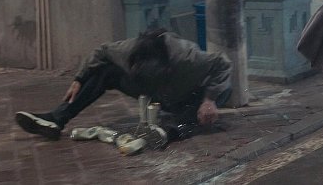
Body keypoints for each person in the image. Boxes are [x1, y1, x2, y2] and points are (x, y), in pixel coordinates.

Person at [14, 28, 232, 141]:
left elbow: (223, 63)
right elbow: (100, 51)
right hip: (154, 93)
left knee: (220, 94)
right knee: (105, 71)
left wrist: (209, 100)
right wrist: (79, 79)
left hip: (184, 97)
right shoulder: (127, 51)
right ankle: (56, 119)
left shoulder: (187, 58)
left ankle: (169, 131)